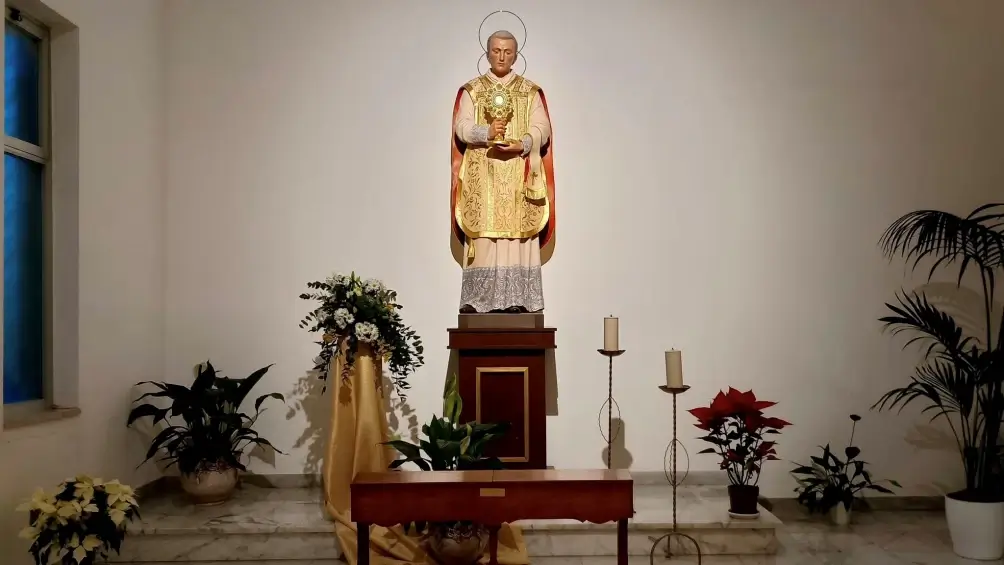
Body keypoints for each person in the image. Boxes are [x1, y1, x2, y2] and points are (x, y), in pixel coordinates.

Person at [451, 29, 555, 314]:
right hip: (483, 175)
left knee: (515, 236)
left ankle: (516, 299)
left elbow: (542, 127)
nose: (501, 57)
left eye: (508, 52)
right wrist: (485, 132)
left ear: (515, 55)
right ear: (487, 53)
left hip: (517, 175)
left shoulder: (529, 91)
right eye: (496, 51)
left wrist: (525, 142)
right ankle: (479, 299)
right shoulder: (473, 90)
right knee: (484, 237)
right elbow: (461, 126)